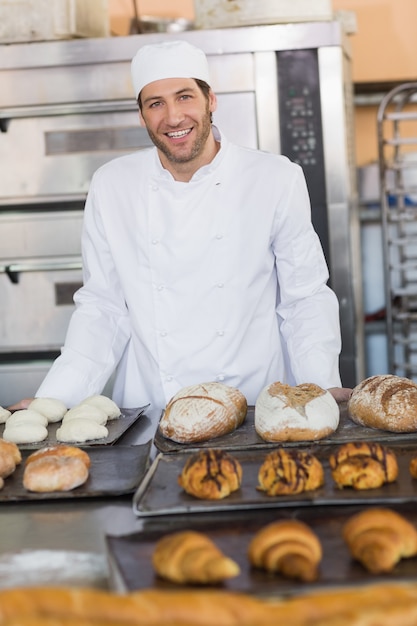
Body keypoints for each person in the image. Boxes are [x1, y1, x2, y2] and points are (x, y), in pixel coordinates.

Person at [10, 39, 351, 413]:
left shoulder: (275, 178)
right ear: (141, 116)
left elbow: (304, 298)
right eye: (156, 103)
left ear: (211, 101)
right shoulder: (112, 186)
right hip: (154, 407)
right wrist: (54, 400)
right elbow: (102, 308)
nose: (173, 117)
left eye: (185, 96)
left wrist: (319, 387)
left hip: (255, 409)